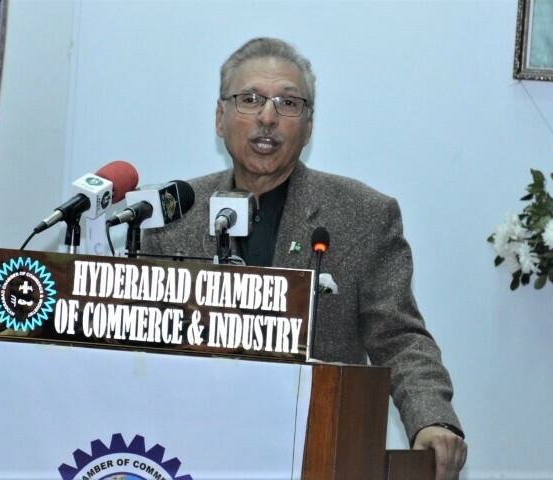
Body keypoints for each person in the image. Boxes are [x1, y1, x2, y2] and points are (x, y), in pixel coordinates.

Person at [143, 37, 467, 479]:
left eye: (288, 103)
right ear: (221, 118)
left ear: (309, 126)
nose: (268, 117)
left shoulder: (363, 215)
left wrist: (432, 418)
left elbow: (399, 336)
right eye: (250, 99)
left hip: (317, 449)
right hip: (185, 447)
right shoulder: (173, 213)